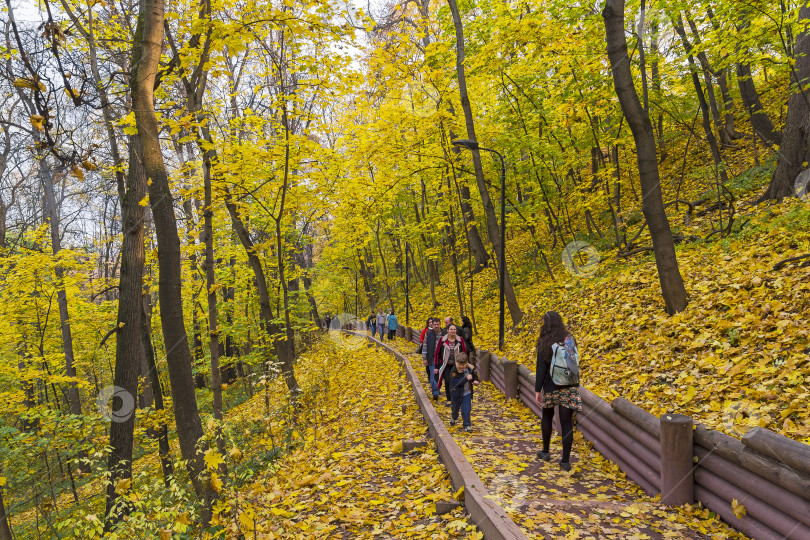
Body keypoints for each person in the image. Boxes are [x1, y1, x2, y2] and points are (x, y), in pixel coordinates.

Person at [534, 311, 582, 472]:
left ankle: (546, 451)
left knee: (547, 417)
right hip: (569, 386)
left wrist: (537, 389)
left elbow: (541, 369)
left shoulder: (544, 341)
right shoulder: (569, 338)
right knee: (566, 422)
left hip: (550, 386)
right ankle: (566, 461)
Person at [435, 324, 467, 405]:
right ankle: (449, 399)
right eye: (451, 329)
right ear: (447, 330)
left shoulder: (460, 340)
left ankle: (457, 398)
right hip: (446, 364)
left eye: (454, 329)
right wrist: (436, 366)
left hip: (457, 365)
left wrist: (464, 363)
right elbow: (437, 353)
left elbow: (464, 352)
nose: (453, 331)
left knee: (457, 381)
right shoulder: (442, 340)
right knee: (448, 381)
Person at [449, 353, 479, 431]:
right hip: (456, 393)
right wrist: (466, 378)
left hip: (467, 392)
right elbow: (455, 383)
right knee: (455, 409)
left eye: (463, 365)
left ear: (466, 363)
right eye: (460, 365)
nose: (461, 367)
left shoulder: (470, 368)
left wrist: (475, 381)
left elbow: (474, 376)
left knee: (466, 409)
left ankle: (467, 425)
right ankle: (453, 417)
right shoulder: (454, 370)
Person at [422, 318, 442, 400]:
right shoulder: (429, 333)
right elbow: (425, 345)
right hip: (432, 358)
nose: (436, 326)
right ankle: (435, 392)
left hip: (442, 358)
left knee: (442, 376)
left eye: (438, 324)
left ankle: (438, 388)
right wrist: (424, 357)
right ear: (432, 325)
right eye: (435, 324)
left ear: (440, 324)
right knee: (433, 375)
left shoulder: (444, 333)